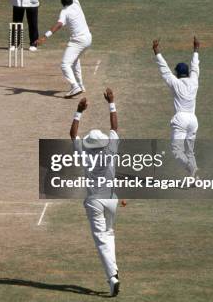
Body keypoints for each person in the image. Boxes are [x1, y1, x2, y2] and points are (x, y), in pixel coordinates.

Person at [70, 89, 122, 297]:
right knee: (109, 234)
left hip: (94, 201)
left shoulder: (83, 151)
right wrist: (112, 102)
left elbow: (73, 134)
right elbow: (115, 127)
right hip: (111, 200)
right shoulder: (110, 148)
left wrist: (78, 111)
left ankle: (112, 277)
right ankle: (114, 271)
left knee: (101, 239)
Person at [37, 0, 92, 98]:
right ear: (71, 0)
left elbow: (59, 25)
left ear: (62, 4)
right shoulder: (76, 2)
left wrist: (44, 37)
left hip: (78, 40)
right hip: (88, 39)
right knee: (75, 61)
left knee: (64, 64)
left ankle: (75, 87)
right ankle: (81, 85)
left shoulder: (65, 11)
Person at [152, 37, 200, 179]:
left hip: (181, 119)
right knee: (190, 151)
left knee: (176, 150)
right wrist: (196, 50)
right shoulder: (194, 82)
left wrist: (156, 51)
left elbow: (165, 70)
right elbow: (195, 67)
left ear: (178, 74)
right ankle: (194, 179)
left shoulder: (176, 83)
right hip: (193, 120)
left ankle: (191, 168)